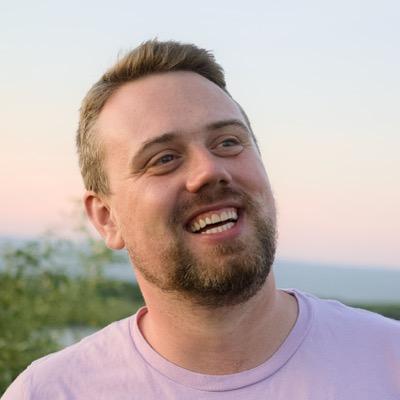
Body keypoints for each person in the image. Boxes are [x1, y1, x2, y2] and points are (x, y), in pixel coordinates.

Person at [2, 40, 399, 399]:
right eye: (164, 158)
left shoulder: (389, 362)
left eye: (228, 142)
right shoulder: (50, 393)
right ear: (107, 219)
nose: (209, 170)